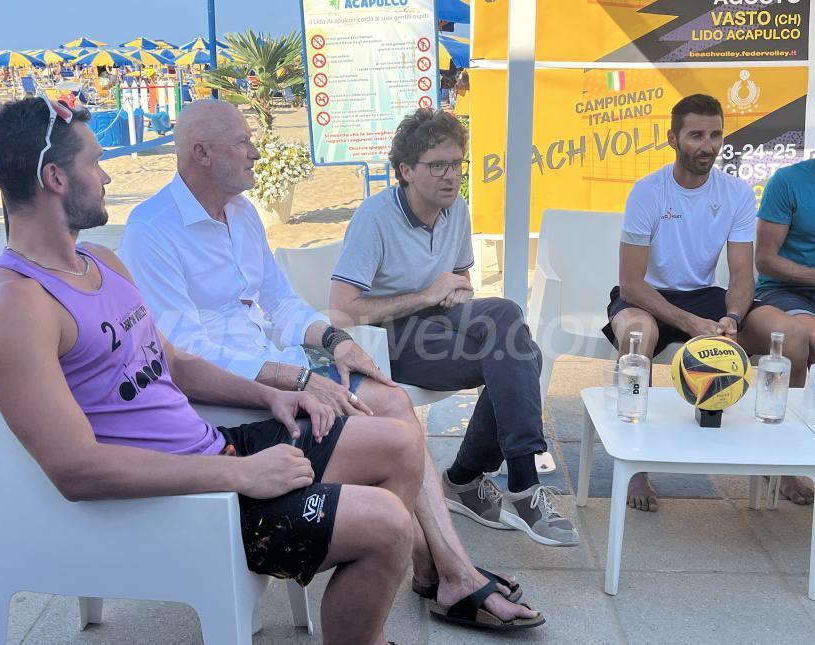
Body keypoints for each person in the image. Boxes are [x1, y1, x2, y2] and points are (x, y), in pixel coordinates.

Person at [0, 96, 428, 645]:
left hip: (213, 448)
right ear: (55, 178)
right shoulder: (12, 306)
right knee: (388, 523)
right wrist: (242, 475)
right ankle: (356, 577)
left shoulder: (100, 264)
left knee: (401, 442)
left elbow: (176, 365)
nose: (108, 174)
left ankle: (351, 587)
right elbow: (76, 471)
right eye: (94, 162)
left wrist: (271, 397)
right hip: (184, 500)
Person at [119, 100, 544, 632]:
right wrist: (295, 378)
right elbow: (184, 352)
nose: (256, 152)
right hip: (227, 402)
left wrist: (335, 340)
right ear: (201, 154)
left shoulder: (242, 214)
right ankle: (439, 570)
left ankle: (435, 568)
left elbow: (281, 303)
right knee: (393, 435)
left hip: (287, 368)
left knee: (389, 398)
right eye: (242, 142)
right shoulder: (151, 230)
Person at [329, 108, 579, 551]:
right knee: (525, 354)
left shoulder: (456, 208)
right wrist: (426, 296)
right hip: (389, 336)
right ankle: (500, 482)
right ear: (406, 170)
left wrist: (457, 298)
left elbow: (460, 282)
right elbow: (343, 311)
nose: (451, 176)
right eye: (437, 165)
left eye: (457, 164)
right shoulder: (375, 218)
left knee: (506, 325)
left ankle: (486, 481)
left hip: (441, 320)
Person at [601, 93, 811, 512]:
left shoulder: (735, 192)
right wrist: (693, 323)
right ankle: (635, 464)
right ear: (673, 139)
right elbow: (630, 284)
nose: (708, 145)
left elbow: (739, 275)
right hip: (648, 296)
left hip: (709, 298)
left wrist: (732, 317)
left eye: (715, 134)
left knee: (790, 335)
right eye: (696, 135)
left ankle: (782, 459)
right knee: (638, 335)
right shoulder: (648, 192)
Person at [751, 156, 815, 505]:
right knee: (803, 339)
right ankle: (783, 460)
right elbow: (765, 259)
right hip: (784, 291)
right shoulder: (789, 181)